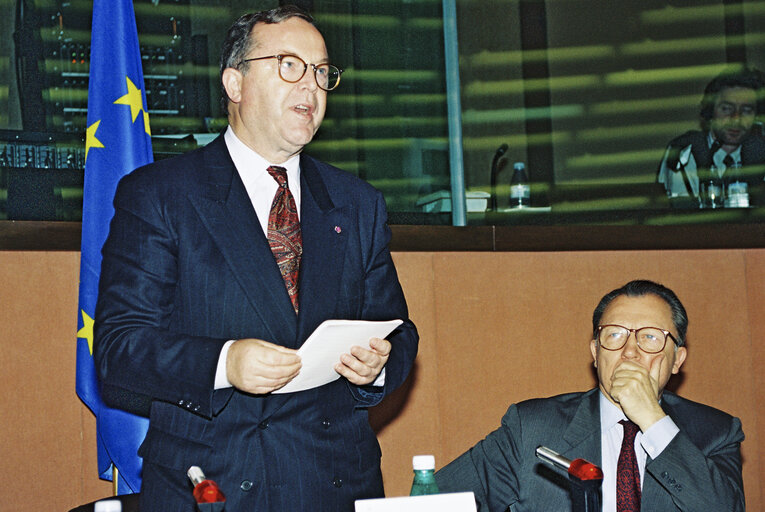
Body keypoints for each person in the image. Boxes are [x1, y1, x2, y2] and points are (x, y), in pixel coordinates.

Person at [93, 6, 418, 511]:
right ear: (235, 83)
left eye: (321, 72)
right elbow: (119, 349)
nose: (310, 87)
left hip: (332, 482)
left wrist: (376, 364)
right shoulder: (161, 194)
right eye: (289, 65)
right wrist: (225, 362)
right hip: (213, 484)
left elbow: (399, 332)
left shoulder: (356, 203)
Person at [435, 280, 744, 511]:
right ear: (596, 354)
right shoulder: (530, 428)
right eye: (615, 335)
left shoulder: (714, 432)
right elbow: (433, 501)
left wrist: (651, 418)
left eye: (650, 337)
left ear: (677, 359)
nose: (630, 352)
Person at [657, 66, 765, 207]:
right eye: (726, 109)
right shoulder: (684, 153)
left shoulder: (760, 153)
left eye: (746, 110)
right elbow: (686, 222)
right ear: (710, 111)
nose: (736, 119)